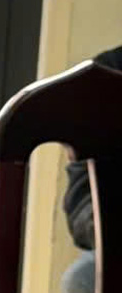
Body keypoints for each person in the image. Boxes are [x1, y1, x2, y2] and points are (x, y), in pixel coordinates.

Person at [60, 44, 122, 293]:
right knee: (84, 277)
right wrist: (109, 229)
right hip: (117, 240)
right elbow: (81, 201)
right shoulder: (108, 74)